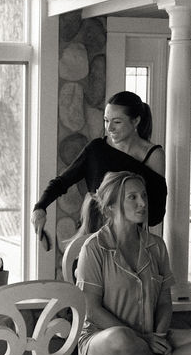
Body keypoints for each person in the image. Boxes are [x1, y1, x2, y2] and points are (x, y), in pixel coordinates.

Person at [77, 171, 191, 355]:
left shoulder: (156, 246)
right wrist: (143, 338)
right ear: (111, 206)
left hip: (151, 336)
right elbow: (92, 309)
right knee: (120, 337)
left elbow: (164, 302)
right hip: (103, 340)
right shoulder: (93, 248)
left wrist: (158, 336)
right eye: (132, 197)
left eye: (144, 196)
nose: (142, 203)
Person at [32, 91, 167, 246]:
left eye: (117, 122)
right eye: (106, 120)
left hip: (131, 243)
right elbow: (62, 181)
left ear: (135, 121)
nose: (109, 128)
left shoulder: (154, 155)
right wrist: (40, 207)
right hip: (92, 235)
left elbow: (156, 214)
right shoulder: (96, 149)